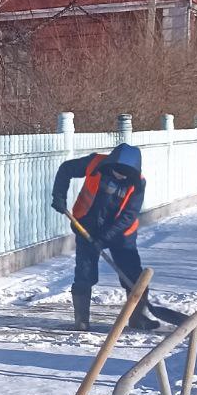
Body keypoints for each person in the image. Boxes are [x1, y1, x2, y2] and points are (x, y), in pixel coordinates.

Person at [50, 142, 155, 332]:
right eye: (116, 172)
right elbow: (66, 169)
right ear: (111, 163)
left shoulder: (138, 184)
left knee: (132, 274)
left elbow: (128, 216)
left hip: (121, 233)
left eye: (124, 175)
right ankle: (81, 320)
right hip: (87, 226)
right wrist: (59, 196)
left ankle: (138, 317)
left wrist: (104, 239)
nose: (119, 176)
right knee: (85, 272)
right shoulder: (95, 163)